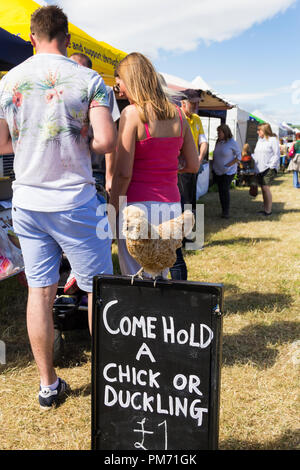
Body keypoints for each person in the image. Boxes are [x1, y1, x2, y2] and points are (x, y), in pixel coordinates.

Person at [0, 5, 116, 409]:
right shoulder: (88, 78)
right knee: (98, 290)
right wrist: (75, 138)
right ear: (67, 39)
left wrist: (34, 143)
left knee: (39, 292)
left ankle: (48, 385)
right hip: (75, 200)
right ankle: (109, 381)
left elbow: (1, 144)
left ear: (33, 38)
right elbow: (106, 142)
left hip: (27, 201)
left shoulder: (8, 81)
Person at [109, 52, 199, 278]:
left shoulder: (131, 114)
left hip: (137, 208)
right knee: (159, 274)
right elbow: (193, 165)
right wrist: (166, 166)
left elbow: (122, 174)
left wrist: (111, 214)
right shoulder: (178, 114)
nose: (119, 88)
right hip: (170, 206)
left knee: (135, 278)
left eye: (120, 82)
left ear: (131, 80)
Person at [69, 52, 120, 193]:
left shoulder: (103, 90)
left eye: (78, 68)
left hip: (95, 170)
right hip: (69, 171)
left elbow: (111, 139)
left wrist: (110, 175)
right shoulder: (62, 91)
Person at [178, 89, 208, 212]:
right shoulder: (176, 117)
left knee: (191, 195)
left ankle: (190, 221)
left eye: (197, 103)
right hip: (180, 167)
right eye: (193, 103)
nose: (196, 106)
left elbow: (203, 141)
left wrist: (199, 158)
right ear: (183, 103)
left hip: (193, 164)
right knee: (183, 197)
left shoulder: (196, 118)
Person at [212, 124, 241, 218]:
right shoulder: (218, 141)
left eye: (219, 132)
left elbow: (239, 157)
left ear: (225, 132)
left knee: (224, 190)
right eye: (218, 132)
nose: (218, 134)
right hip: (218, 171)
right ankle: (223, 210)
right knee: (221, 191)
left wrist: (229, 164)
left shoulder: (232, 142)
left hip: (228, 171)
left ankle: (226, 212)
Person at [252, 123, 280, 215]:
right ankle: (265, 209)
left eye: (259, 130)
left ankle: (268, 211)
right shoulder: (259, 140)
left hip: (269, 168)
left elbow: (276, 155)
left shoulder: (273, 140)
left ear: (264, 130)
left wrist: (271, 166)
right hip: (260, 168)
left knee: (265, 188)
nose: (257, 132)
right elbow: (257, 154)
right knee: (263, 189)